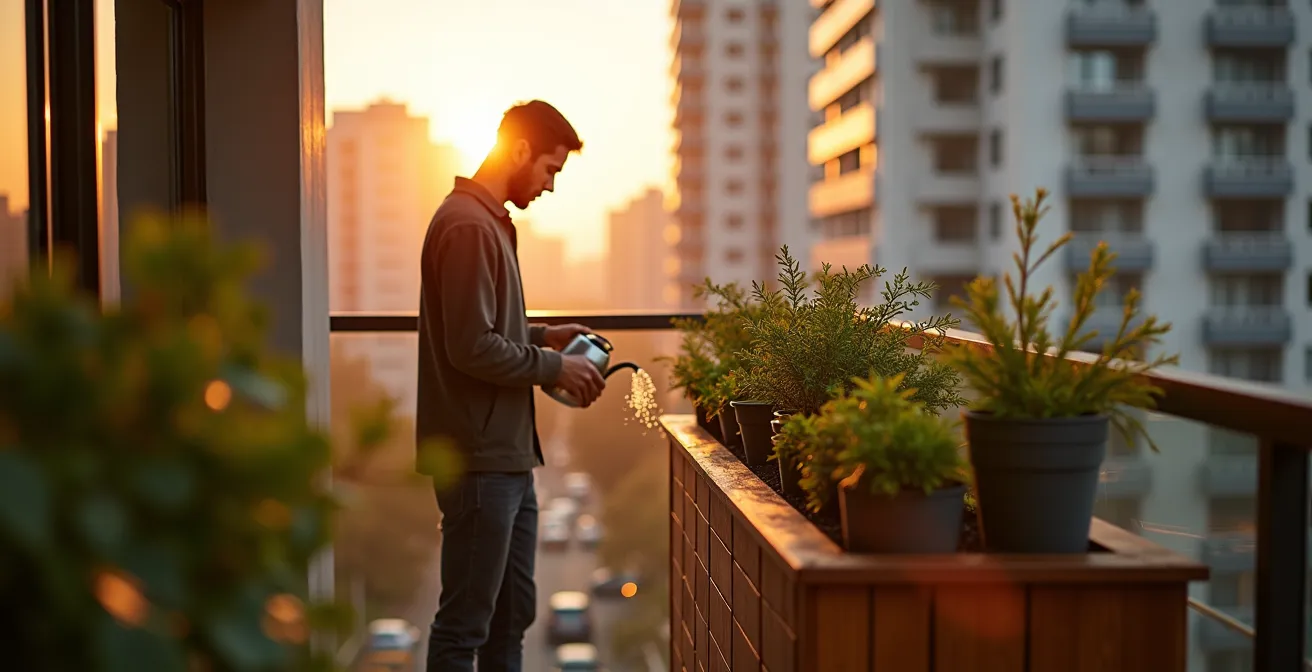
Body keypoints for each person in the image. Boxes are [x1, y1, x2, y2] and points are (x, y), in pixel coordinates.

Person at [416, 100, 606, 672]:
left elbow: (484, 327)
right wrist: (556, 368)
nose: (549, 187)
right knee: (466, 626)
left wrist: (545, 336)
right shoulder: (469, 226)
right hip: (479, 461)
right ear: (520, 151)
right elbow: (470, 346)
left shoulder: (487, 221)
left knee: (511, 618)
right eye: (550, 170)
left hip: (508, 459)